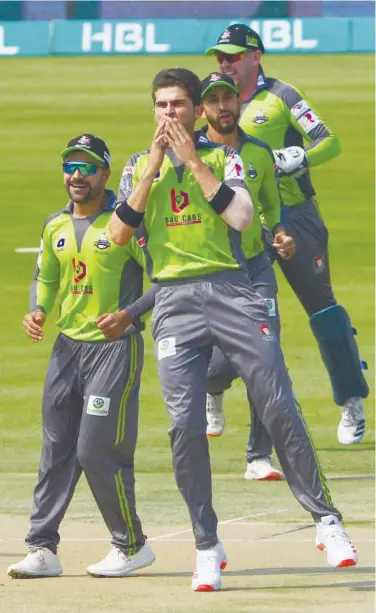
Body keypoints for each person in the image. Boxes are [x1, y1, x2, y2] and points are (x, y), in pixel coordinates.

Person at [110, 68, 358, 592]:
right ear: (153, 110)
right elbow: (117, 233)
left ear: (197, 111)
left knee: (277, 403)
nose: (169, 114)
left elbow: (244, 216)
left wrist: (195, 162)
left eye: (179, 105)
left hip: (234, 291)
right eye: (161, 105)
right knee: (182, 428)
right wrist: (156, 163)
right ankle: (206, 544)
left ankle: (326, 520)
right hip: (175, 301)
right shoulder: (137, 165)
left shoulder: (228, 157)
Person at [206, 24, 369, 445]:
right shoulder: (211, 100)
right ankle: (213, 387)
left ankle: (352, 400)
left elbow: (329, 142)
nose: (225, 63)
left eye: (234, 55)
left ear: (255, 56)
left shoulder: (282, 96)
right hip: (240, 223)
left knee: (324, 310)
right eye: (221, 56)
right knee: (237, 316)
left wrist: (298, 158)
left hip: (296, 216)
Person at [7, 135, 155, 579]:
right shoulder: (54, 225)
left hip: (113, 350)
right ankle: (42, 547)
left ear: (106, 175)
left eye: (87, 167)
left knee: (95, 450)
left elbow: (165, 280)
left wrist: (130, 315)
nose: (76, 175)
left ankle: (131, 545)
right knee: (55, 448)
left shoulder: (125, 223)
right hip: (67, 349)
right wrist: (38, 309)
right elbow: (46, 278)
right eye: (70, 166)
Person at [201, 71, 295, 480]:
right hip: (216, 272)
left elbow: (271, 206)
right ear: (202, 108)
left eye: (228, 97)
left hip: (257, 269)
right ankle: (213, 388)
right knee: (217, 368)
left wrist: (280, 233)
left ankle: (259, 456)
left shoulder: (258, 152)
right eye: (213, 100)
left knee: (266, 357)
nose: (223, 106)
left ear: (239, 101)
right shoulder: (193, 156)